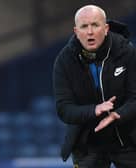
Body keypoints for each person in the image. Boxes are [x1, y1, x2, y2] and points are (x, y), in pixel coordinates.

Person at [53, 4, 136, 168]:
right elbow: (64, 109)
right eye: (84, 26)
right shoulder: (64, 61)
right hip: (87, 141)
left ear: (106, 28)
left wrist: (116, 115)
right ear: (76, 32)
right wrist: (94, 110)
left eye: (95, 25)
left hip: (127, 137)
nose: (90, 32)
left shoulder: (126, 51)